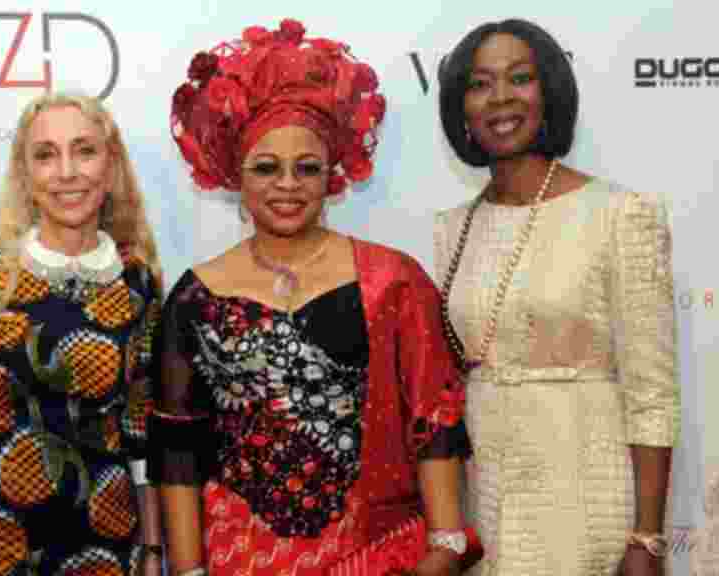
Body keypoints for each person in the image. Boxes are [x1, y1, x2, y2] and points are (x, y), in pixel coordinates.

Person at [148, 18, 481, 576]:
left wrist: (444, 548)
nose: (287, 185)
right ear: (235, 174)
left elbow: (436, 419)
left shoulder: (392, 280)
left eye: (307, 168)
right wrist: (188, 570)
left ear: (332, 175)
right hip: (240, 562)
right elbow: (177, 453)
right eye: (266, 168)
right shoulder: (194, 297)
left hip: (374, 557)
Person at [434, 18, 681, 576]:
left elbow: (653, 392)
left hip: (581, 489)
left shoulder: (619, 214)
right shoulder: (452, 229)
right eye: (479, 83)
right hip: (487, 496)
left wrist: (648, 537)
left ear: (549, 92)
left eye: (519, 78)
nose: (500, 98)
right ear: (461, 108)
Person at [0, 92, 164, 576]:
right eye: (46, 155)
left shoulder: (138, 281)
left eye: (84, 150)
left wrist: (152, 554)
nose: (67, 172)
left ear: (110, 169)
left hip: (108, 547)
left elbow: (141, 433)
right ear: (26, 177)